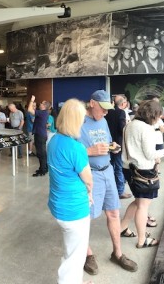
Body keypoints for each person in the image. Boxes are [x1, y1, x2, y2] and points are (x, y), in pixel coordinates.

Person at [80, 90, 137, 275]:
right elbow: (70, 152)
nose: (105, 113)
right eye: (103, 109)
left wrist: (113, 147)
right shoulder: (78, 122)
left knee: (113, 212)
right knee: (85, 218)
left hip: (108, 171)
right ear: (92, 103)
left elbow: (107, 140)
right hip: (91, 174)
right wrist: (89, 151)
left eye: (108, 109)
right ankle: (87, 254)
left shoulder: (103, 120)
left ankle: (118, 253)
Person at [119, 100, 164, 248]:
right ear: (153, 114)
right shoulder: (146, 129)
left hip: (128, 169)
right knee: (143, 205)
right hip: (143, 170)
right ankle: (142, 240)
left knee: (138, 201)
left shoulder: (129, 125)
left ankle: (122, 227)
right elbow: (150, 154)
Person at [48, 99, 94, 284]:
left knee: (71, 249)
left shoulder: (53, 140)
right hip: (75, 209)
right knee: (76, 256)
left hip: (58, 205)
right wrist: (89, 192)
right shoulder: (76, 148)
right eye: (82, 118)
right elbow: (89, 180)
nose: (84, 122)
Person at [105, 95, 130, 199]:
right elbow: (122, 128)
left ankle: (110, 190)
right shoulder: (121, 112)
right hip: (118, 144)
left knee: (109, 167)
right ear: (123, 104)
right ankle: (120, 191)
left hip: (108, 143)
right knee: (119, 168)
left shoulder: (108, 112)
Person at [31, 96, 51, 177]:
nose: (40, 104)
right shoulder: (43, 112)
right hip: (41, 134)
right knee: (42, 153)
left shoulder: (43, 112)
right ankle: (44, 168)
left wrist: (32, 100)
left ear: (44, 106)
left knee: (41, 153)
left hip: (40, 135)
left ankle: (42, 170)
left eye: (42, 103)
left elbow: (29, 110)